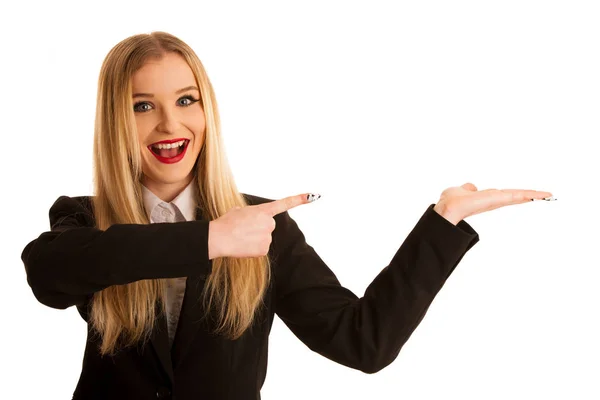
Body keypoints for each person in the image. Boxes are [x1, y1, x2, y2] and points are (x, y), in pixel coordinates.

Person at [21, 31, 553, 400]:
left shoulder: (262, 227)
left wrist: (444, 223)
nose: (168, 123)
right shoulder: (86, 220)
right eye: (142, 106)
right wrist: (210, 238)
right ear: (115, 119)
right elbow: (48, 275)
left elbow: (363, 342)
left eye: (186, 100)